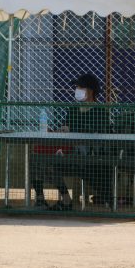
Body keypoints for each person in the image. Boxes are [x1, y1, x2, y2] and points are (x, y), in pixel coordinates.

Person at [34, 73, 111, 210]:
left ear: (91, 91)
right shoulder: (73, 109)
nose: (77, 90)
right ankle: (45, 198)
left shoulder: (100, 111)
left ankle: (65, 201)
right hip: (68, 147)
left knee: (52, 161)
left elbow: (96, 133)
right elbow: (67, 127)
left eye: (81, 87)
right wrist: (60, 131)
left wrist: (73, 130)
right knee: (38, 155)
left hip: (86, 152)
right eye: (77, 87)